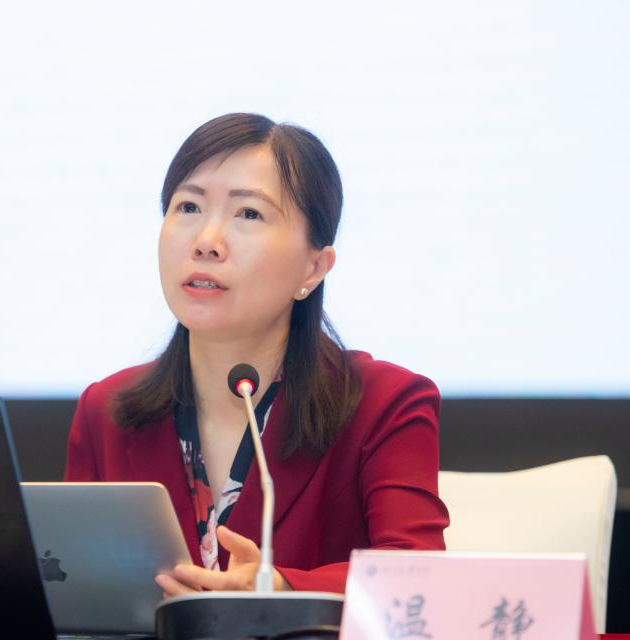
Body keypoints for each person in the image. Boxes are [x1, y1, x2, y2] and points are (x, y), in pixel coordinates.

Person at [65, 112, 449, 595]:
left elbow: (420, 577)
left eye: (248, 214)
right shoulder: (106, 410)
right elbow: (71, 587)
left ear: (314, 267)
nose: (206, 242)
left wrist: (281, 588)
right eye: (188, 207)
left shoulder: (384, 404)